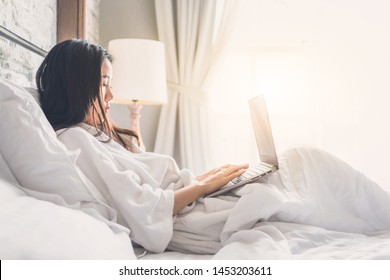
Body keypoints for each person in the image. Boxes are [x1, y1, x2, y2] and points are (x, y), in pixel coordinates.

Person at [36, 39, 390, 255]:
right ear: (77, 85)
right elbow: (142, 209)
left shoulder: (95, 135)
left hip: (197, 199)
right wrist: (205, 185)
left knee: (301, 162)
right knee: (304, 162)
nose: (111, 95)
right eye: (104, 84)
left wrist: (214, 176)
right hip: (192, 216)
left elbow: (149, 182)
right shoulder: (75, 141)